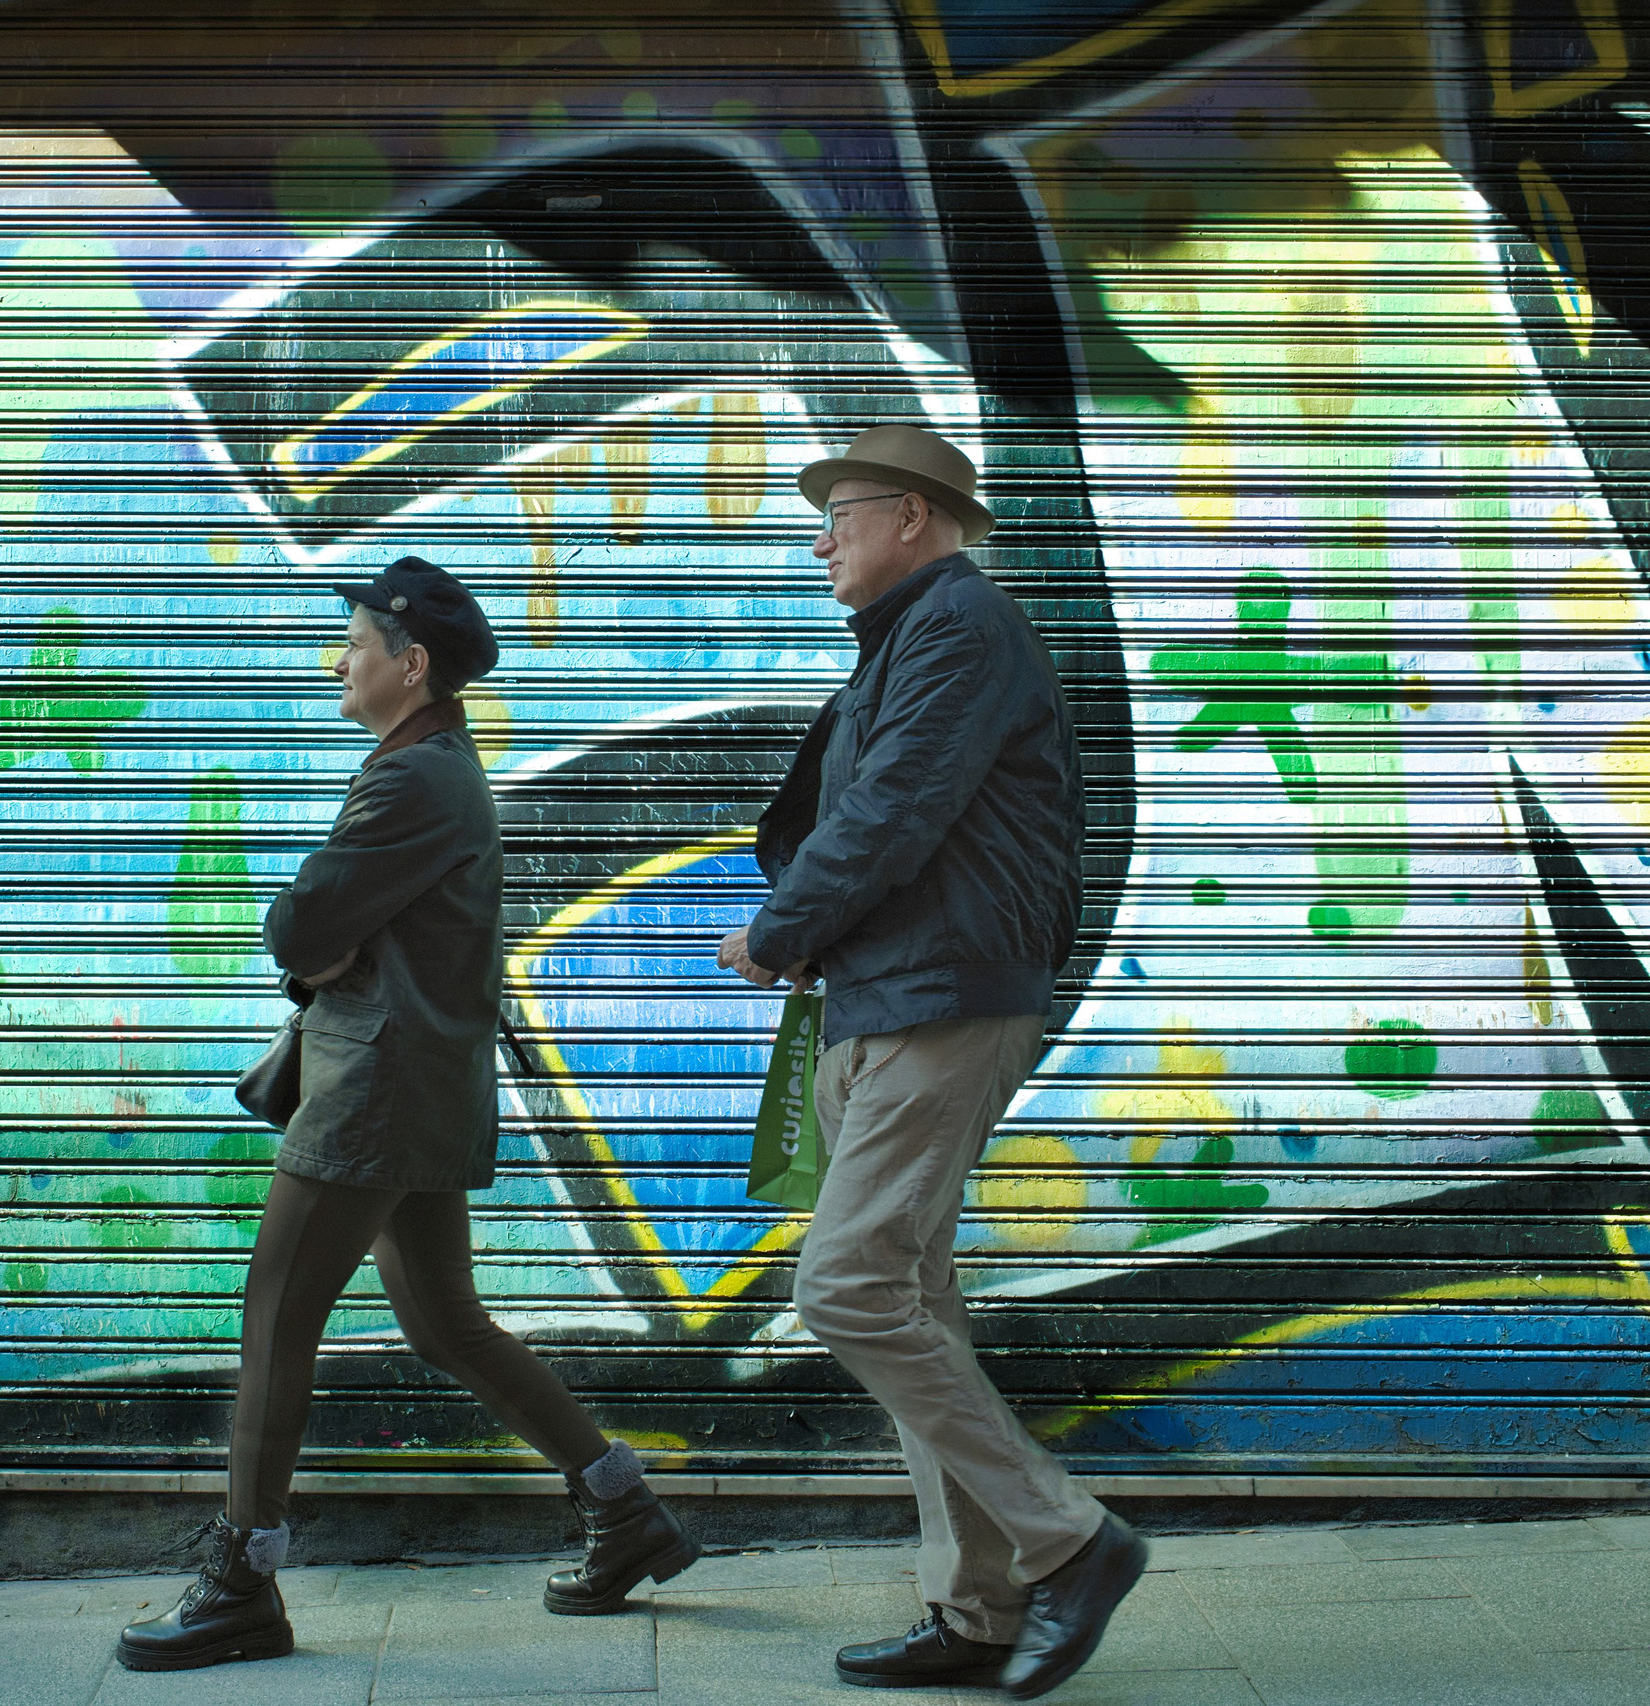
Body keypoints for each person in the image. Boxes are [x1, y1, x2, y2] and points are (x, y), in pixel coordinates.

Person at [119, 556, 698, 1673]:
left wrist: (320, 945)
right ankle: (623, 1506)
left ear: (410, 662)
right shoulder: (427, 765)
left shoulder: (413, 780)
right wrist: (331, 944)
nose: (339, 658)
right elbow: (335, 930)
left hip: (377, 1092)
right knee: (442, 1322)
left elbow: (297, 924)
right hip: (417, 1082)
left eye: (355, 640)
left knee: (277, 1312)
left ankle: (242, 1578)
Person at [720, 426, 1146, 1699]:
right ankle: (975, 1606)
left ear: (908, 514)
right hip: (884, 997)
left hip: (941, 1002)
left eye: (836, 516)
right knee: (915, 1300)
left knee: (847, 1287)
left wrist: (782, 927)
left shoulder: (959, 625)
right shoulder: (912, 637)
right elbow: (872, 812)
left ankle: (1070, 1538)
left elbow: (895, 805)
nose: (819, 540)